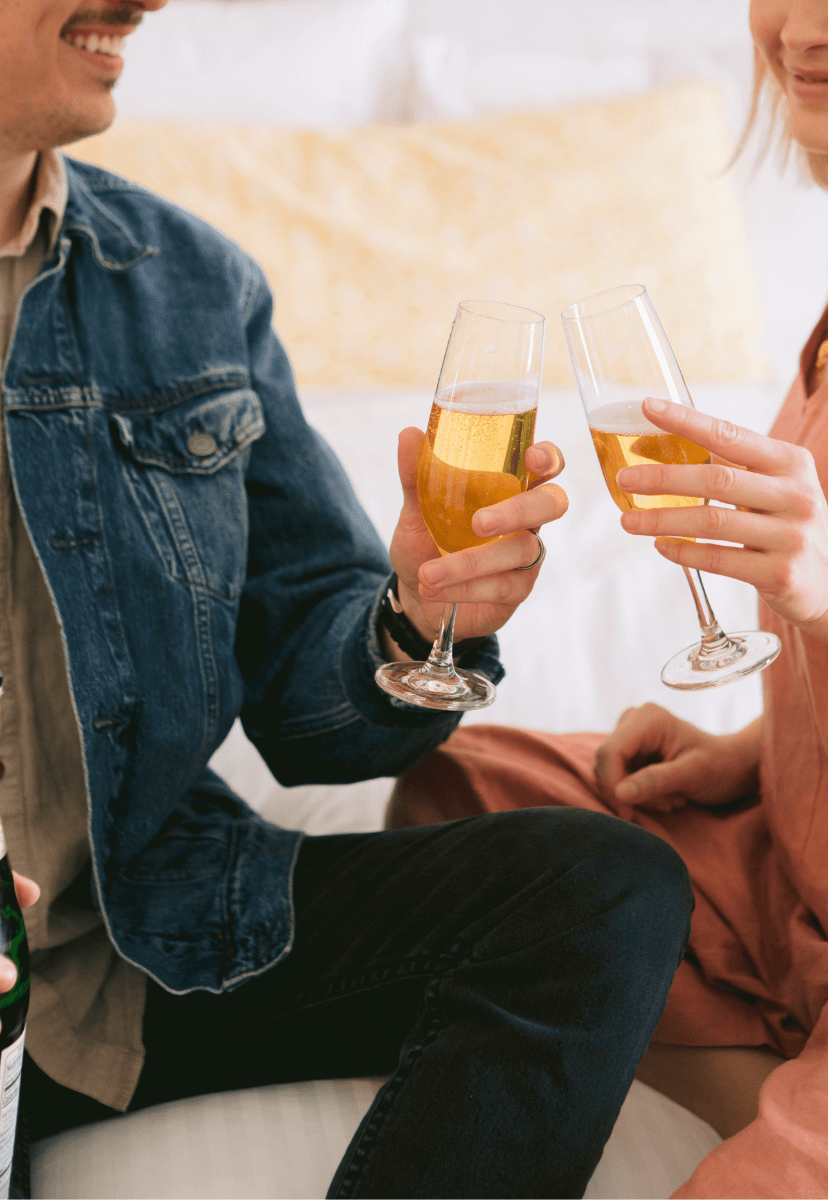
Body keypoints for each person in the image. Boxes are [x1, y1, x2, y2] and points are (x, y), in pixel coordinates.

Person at [0, 2, 697, 1196]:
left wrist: (425, 616)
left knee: (600, 890)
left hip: (153, 941)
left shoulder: (189, 286)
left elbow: (303, 705)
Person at [390, 1, 828, 1196]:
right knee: (459, 790)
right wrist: (769, 749)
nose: (799, 29)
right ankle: (791, 1074)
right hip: (795, 866)